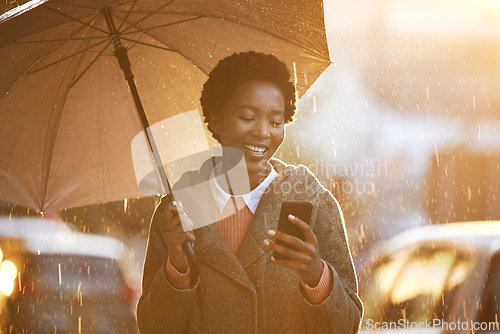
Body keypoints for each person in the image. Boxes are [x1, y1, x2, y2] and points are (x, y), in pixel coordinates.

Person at [136, 51, 363, 333]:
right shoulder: (177, 212)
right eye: (247, 117)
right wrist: (177, 267)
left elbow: (347, 327)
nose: (263, 132)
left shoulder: (314, 204)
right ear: (216, 121)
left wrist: (317, 276)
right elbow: (152, 327)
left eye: (276, 122)